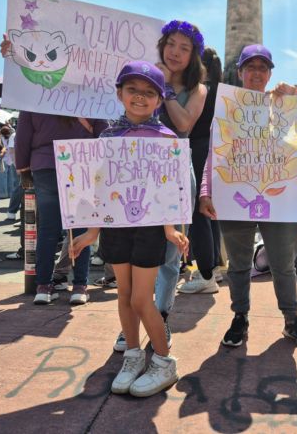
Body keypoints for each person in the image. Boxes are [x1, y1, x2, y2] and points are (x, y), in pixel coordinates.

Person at [199, 43, 297, 352]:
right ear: (241, 72)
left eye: (263, 68)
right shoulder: (229, 106)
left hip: (281, 199)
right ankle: (240, 317)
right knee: (238, 265)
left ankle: (291, 318)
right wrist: (206, 191)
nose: (257, 73)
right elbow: (213, 152)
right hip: (236, 197)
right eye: (251, 67)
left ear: (270, 73)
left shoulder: (284, 105)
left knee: (284, 264)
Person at [70, 61, 190, 397]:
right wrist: (92, 231)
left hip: (150, 229)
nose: (140, 97)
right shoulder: (107, 136)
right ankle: (134, 355)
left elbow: (168, 189)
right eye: (133, 90)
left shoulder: (166, 138)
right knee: (123, 295)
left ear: (159, 99)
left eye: (149, 92)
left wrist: (171, 228)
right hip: (115, 227)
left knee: (141, 299)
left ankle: (165, 362)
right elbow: (100, 188)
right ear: (119, 93)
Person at [112, 20, 208, 353]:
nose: (176, 52)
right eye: (171, 44)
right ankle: (132, 325)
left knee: (169, 253)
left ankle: (161, 314)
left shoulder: (197, 88)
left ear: (194, 54)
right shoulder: (143, 78)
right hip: (134, 176)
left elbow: (183, 124)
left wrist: (164, 89)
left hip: (176, 173)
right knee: (131, 249)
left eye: (185, 47)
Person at [0, 34, 109, 305]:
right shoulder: (89, 94)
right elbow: (103, 131)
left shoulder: (36, 93)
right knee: (81, 229)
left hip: (45, 165)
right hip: (81, 164)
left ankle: (43, 286)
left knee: (47, 229)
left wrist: (24, 168)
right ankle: (80, 286)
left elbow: (23, 134)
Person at [179, 46, 224, 294]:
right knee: (210, 213)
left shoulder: (200, 90)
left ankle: (206, 273)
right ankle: (214, 266)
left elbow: (188, 122)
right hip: (215, 150)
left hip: (197, 149)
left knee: (197, 211)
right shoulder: (223, 92)